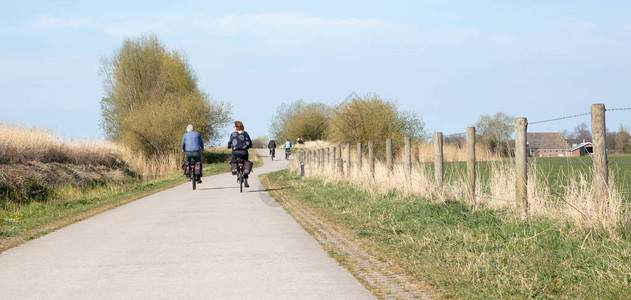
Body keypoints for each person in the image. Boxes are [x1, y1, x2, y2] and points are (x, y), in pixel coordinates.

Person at [227, 121, 252, 187]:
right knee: (246, 163)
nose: (234, 127)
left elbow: (229, 143)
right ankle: (246, 181)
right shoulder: (245, 133)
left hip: (235, 152)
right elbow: (249, 143)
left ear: (237, 127)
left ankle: (234, 169)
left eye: (234, 126)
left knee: (234, 160)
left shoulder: (233, 134)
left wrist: (229, 146)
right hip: (244, 152)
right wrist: (249, 146)